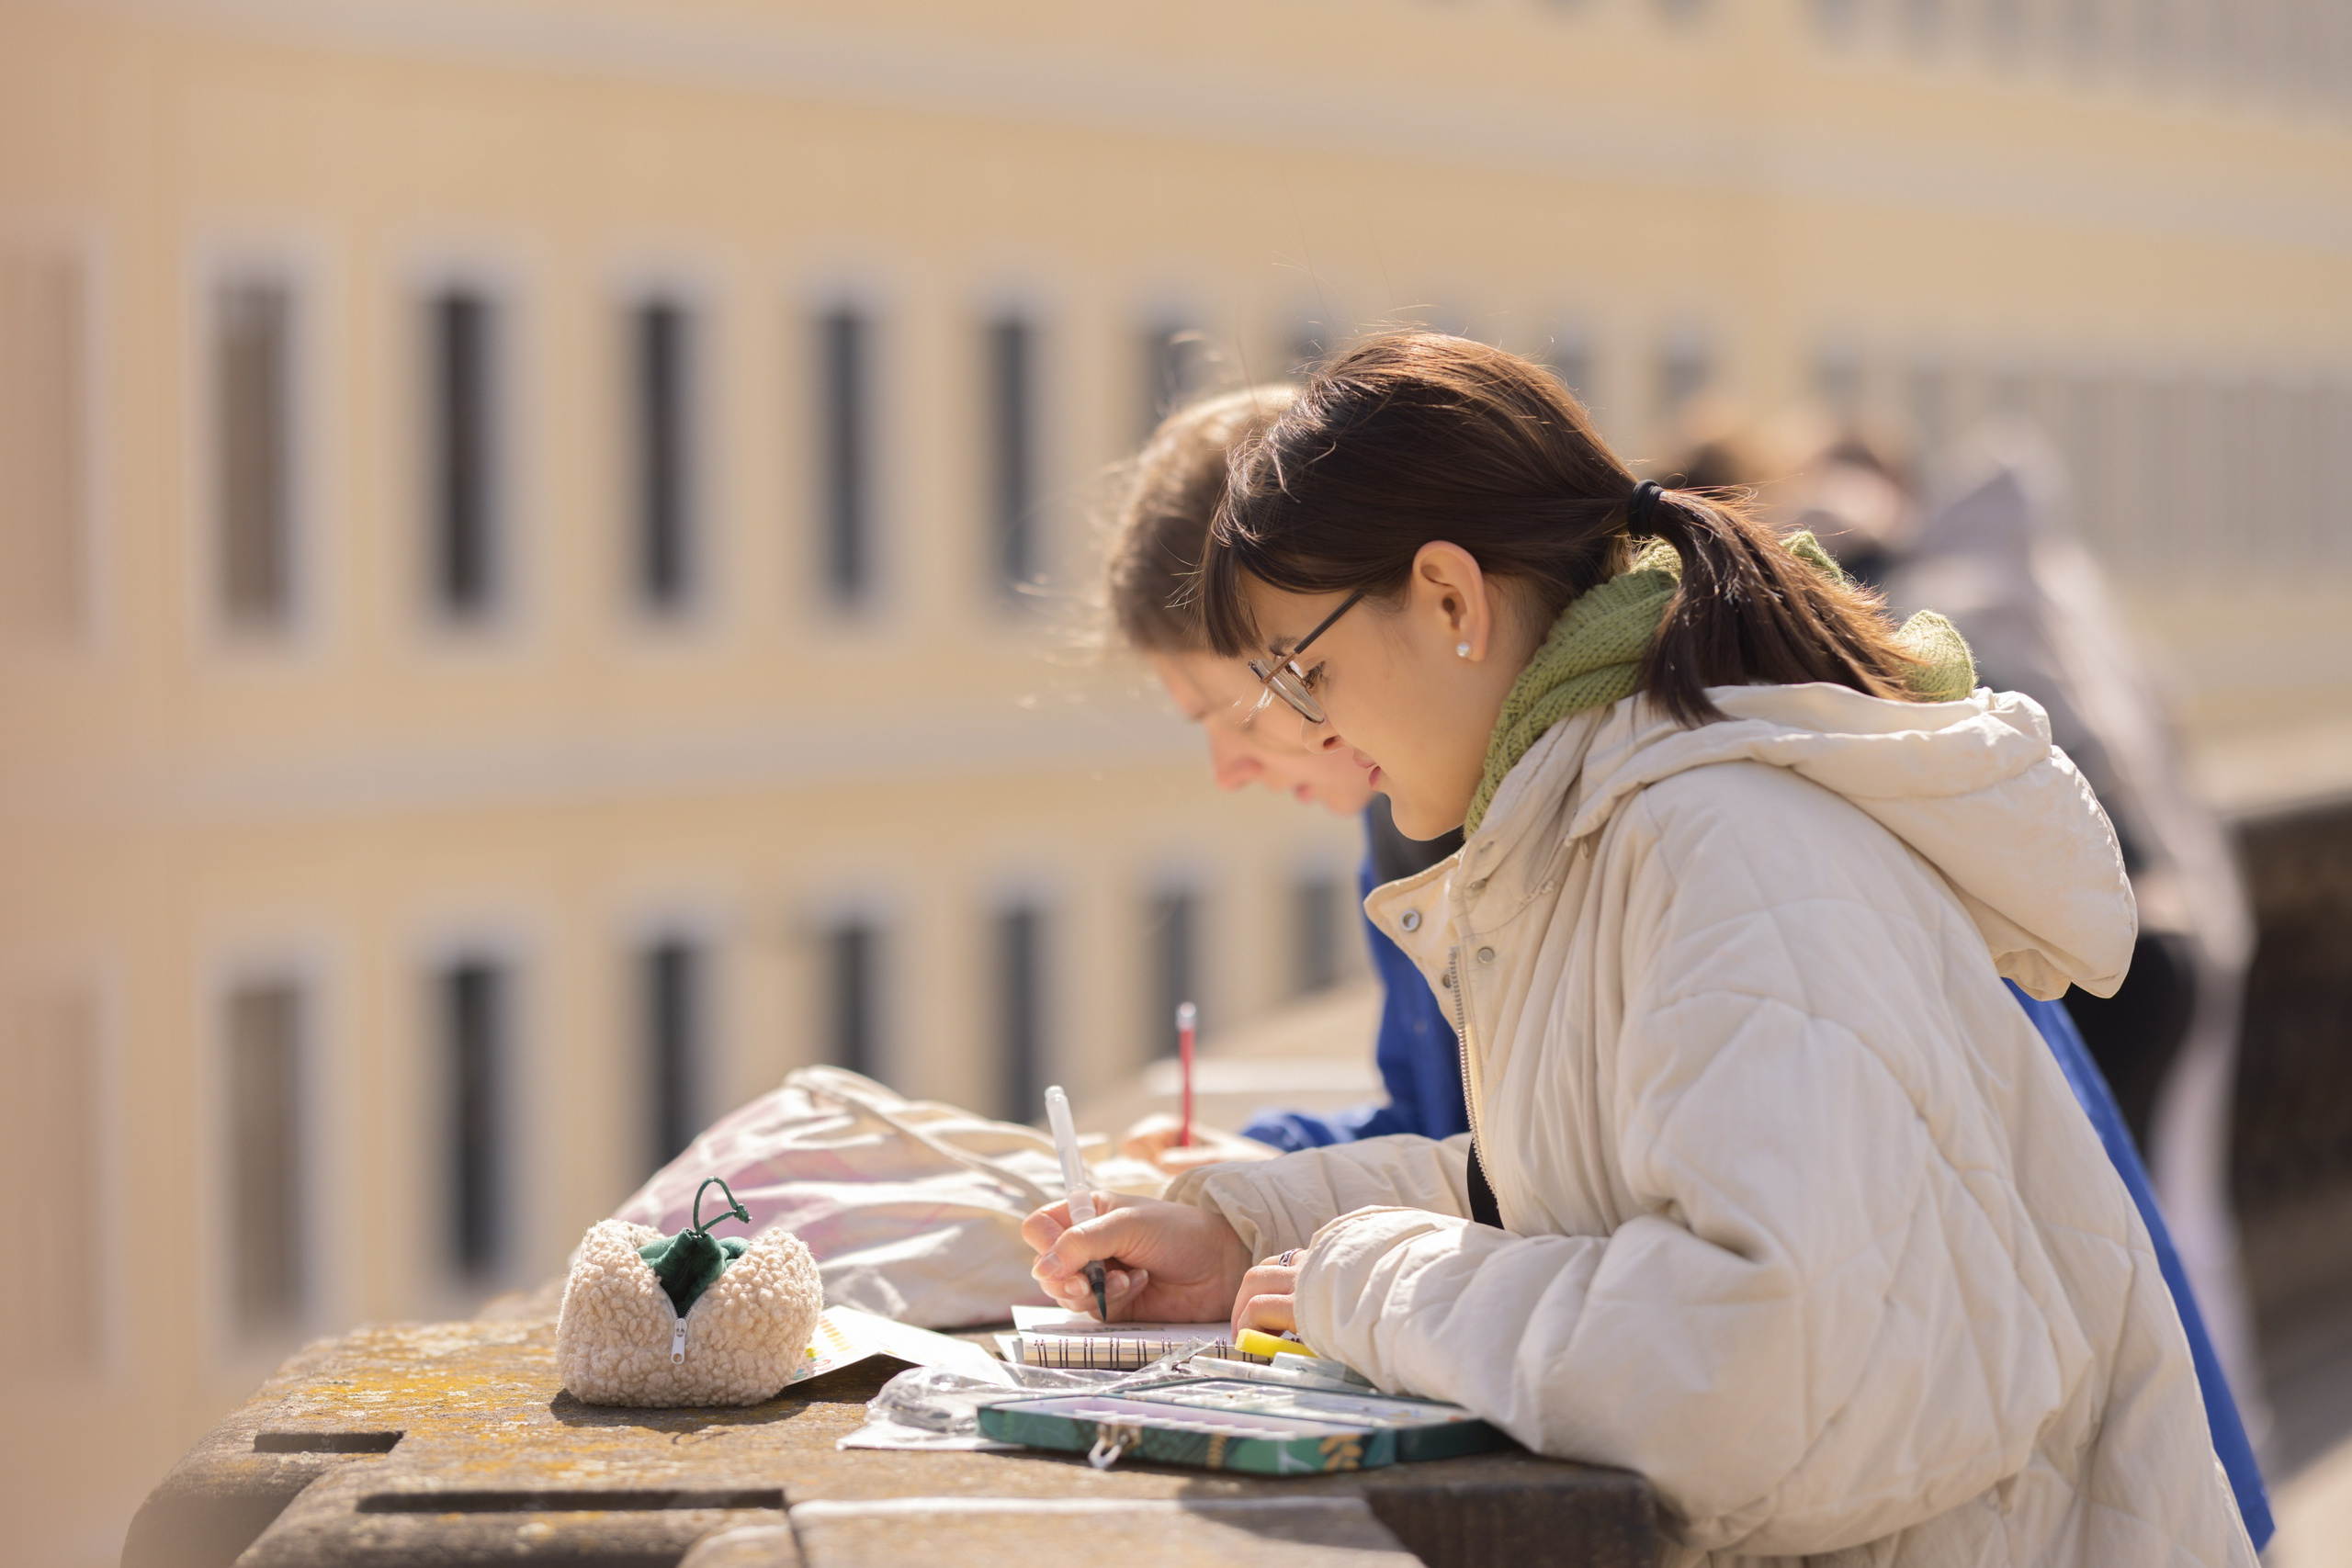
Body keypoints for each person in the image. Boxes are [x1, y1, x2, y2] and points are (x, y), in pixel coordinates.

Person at [1027, 333, 2255, 1566]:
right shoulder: (1600, 827)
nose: (1308, 727)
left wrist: (1371, 1284)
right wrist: (1249, 1225)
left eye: (1305, 671)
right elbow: (1584, 1194)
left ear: (1452, 599)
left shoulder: (1721, 846)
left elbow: (1758, 1370)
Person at [1102, 386, 1466, 1172]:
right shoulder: (1397, 835)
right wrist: (1262, 1164)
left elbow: (1523, 1187)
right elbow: (1431, 1134)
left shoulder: (1563, 831)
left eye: (1240, 714)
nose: (1228, 773)